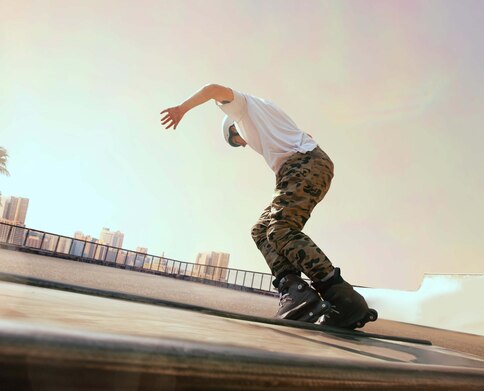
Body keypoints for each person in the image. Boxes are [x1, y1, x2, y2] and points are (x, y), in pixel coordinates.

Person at [160, 84, 377, 329]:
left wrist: (182, 109)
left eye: (234, 141)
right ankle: (295, 292)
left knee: (281, 228)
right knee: (261, 230)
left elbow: (213, 88)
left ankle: (344, 300)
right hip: (304, 166)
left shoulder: (241, 110)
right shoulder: (265, 115)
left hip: (303, 164)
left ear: (231, 127)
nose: (241, 145)